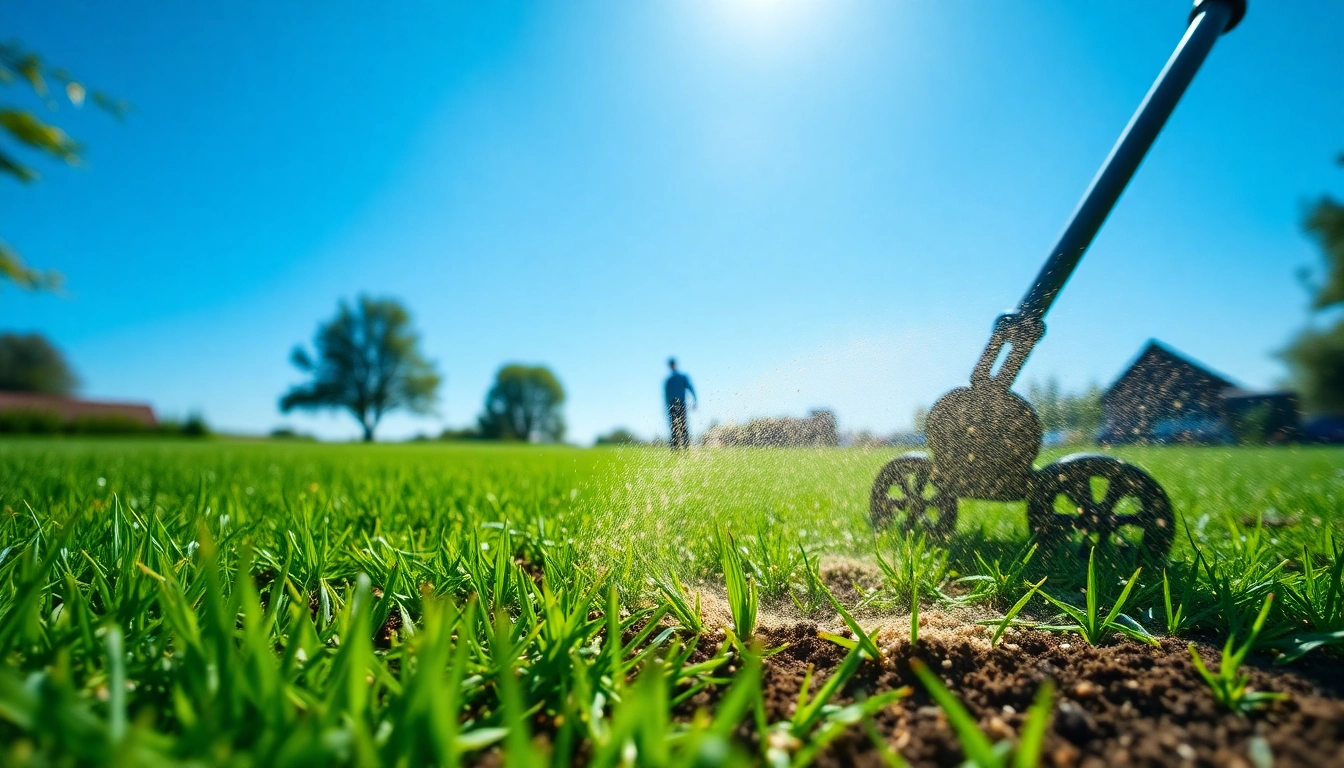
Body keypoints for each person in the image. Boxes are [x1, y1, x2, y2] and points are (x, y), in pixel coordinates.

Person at [664, 357, 696, 450]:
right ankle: (675, 448)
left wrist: (695, 400)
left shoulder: (682, 377)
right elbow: (666, 394)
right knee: (674, 426)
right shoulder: (669, 380)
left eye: (673, 364)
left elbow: (690, 388)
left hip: (681, 404)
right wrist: (668, 406)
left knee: (683, 425)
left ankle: (685, 447)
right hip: (672, 405)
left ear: (675, 365)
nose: (672, 366)